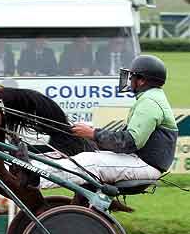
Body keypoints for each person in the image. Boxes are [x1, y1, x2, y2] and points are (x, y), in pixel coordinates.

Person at [35, 55, 178, 189]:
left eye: (132, 76)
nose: (128, 80)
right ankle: (34, 170)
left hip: (145, 164)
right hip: (141, 161)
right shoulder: (151, 98)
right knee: (85, 156)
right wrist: (93, 132)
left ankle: (34, 179)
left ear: (141, 80)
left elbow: (131, 142)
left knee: (90, 163)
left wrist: (93, 133)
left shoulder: (150, 102)